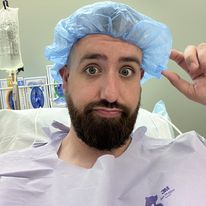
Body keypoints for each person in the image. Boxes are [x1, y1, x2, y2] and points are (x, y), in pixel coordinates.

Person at [0, 2, 206, 206]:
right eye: (92, 69)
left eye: (126, 71)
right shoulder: (10, 179)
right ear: (66, 79)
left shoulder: (192, 156)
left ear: (140, 80)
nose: (111, 94)